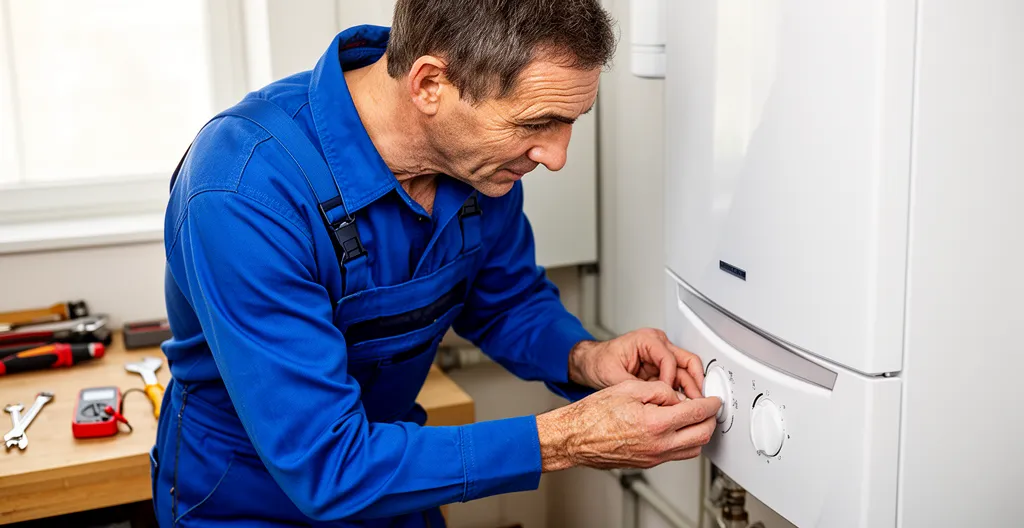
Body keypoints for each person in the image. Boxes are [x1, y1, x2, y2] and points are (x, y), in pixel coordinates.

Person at [154, 0, 722, 526]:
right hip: (249, 500)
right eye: (534, 124)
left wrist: (584, 358)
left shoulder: (478, 163)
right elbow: (326, 465)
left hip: (401, 477)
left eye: (571, 122)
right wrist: (565, 438)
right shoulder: (244, 190)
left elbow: (504, 300)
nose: (556, 157)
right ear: (430, 84)